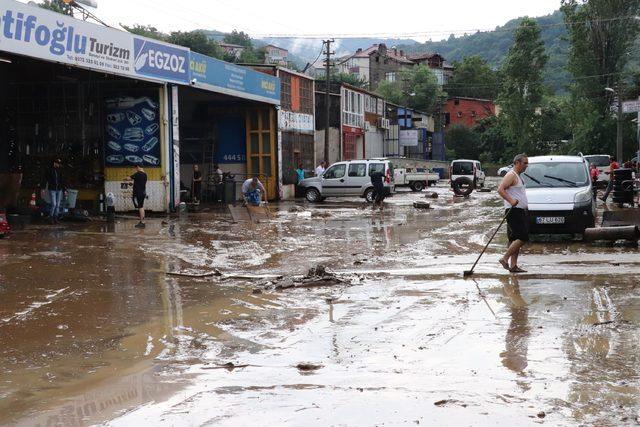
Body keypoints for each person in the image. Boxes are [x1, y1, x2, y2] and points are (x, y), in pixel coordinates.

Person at [498, 154, 529, 273]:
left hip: (519, 210)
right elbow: (500, 189)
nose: (527, 166)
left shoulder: (518, 176)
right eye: (525, 163)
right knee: (522, 237)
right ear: (517, 163)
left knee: (514, 239)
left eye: (527, 163)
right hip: (513, 210)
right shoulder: (511, 175)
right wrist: (511, 200)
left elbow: (519, 194)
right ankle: (505, 258)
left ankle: (513, 266)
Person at [40, 158, 66, 224]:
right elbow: (45, 179)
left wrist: (64, 190)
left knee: (57, 205)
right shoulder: (49, 170)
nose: (58, 164)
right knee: (54, 204)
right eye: (57, 163)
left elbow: (62, 180)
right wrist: (43, 188)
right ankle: (51, 217)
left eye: (59, 163)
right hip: (52, 189)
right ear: (54, 163)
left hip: (59, 189)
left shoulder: (60, 170)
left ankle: (55, 218)